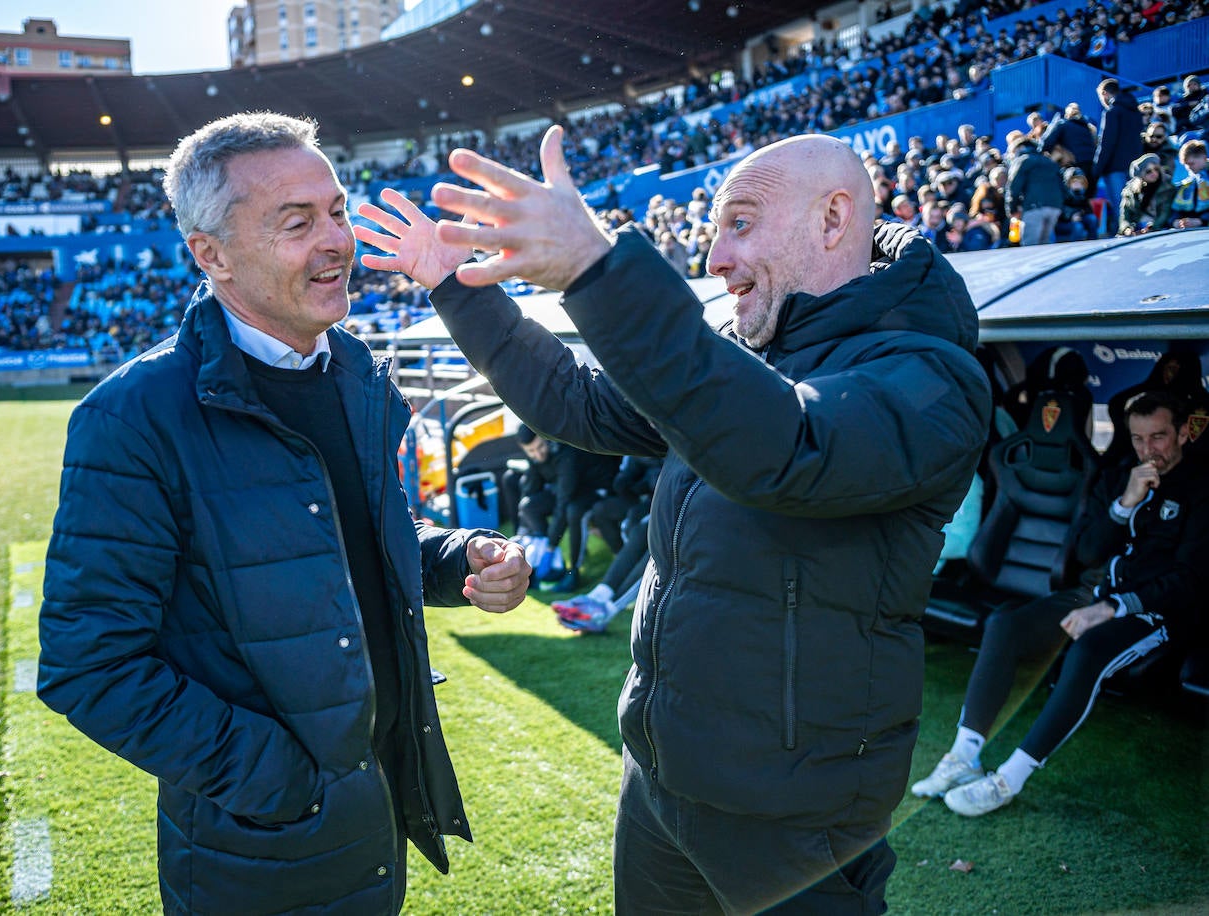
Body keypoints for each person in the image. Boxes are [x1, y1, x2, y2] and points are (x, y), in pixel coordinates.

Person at [354, 129, 992, 913]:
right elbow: (577, 401)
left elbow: (784, 446)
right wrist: (458, 286)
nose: (716, 259)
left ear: (833, 221)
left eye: (742, 224)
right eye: (716, 228)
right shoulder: (743, 353)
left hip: (794, 820)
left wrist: (599, 268)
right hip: (659, 785)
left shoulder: (928, 376)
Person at [35, 112, 531, 915]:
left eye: (336, 211)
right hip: (261, 847)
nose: (335, 239)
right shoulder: (133, 415)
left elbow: (356, 539)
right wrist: (282, 778)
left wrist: (460, 556)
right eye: (297, 223)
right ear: (212, 254)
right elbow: (88, 664)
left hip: (375, 823)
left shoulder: (354, 370)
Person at [913, 390, 1209, 816]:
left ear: (1183, 432)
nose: (1148, 450)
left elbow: (1191, 582)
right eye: (1138, 438)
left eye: (1159, 437)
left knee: (1089, 648)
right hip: (1095, 594)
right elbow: (1087, 551)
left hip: (1154, 611)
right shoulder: (1120, 475)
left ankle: (1008, 779)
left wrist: (1114, 607)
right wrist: (1124, 505)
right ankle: (964, 756)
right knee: (1004, 624)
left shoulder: (1202, 488)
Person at [552, 455, 662, 634]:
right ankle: (597, 596)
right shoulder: (656, 440)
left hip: (688, 515)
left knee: (656, 547)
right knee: (641, 531)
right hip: (658, 505)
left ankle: (606, 611)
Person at [513, 424, 622, 592]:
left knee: (573, 511)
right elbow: (531, 488)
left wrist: (552, 544)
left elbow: (564, 501)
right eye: (531, 451)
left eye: (540, 447)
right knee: (529, 506)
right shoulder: (535, 456)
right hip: (569, 489)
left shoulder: (566, 454)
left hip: (598, 487)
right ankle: (543, 560)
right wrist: (523, 531)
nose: (538, 454)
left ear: (545, 438)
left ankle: (574, 572)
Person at [1094, 79, 1146, 205]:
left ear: (1105, 93)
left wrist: (1096, 170)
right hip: (1135, 166)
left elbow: (1106, 143)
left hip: (1114, 168)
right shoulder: (1136, 113)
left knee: (1121, 209)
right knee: (1135, 207)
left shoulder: (1112, 112)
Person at [1006, 136, 1065, 246]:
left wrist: (1012, 209)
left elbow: (1014, 187)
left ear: (1021, 147)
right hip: (1054, 207)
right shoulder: (1049, 162)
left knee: (1030, 247)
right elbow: (1062, 186)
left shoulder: (1023, 160)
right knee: (1045, 244)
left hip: (1034, 206)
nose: (1012, 155)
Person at [1118, 153, 1176, 235]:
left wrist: (1152, 228)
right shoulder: (1129, 191)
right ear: (1140, 175)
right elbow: (1124, 216)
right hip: (1136, 230)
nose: (1154, 173)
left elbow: (1165, 214)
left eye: (1156, 169)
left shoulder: (1168, 187)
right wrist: (1126, 229)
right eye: (1148, 171)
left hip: (1160, 230)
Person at [1041, 102, 1098, 182]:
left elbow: (1046, 143)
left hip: (1073, 168)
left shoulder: (1062, 124)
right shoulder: (1089, 129)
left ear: (1067, 115)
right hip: (1092, 168)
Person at [1170, 139, 1209, 229]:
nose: (1189, 168)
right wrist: (1176, 221)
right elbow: (1175, 211)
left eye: (1192, 163)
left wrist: (1202, 220)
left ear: (1203, 158)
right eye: (1186, 164)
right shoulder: (1187, 185)